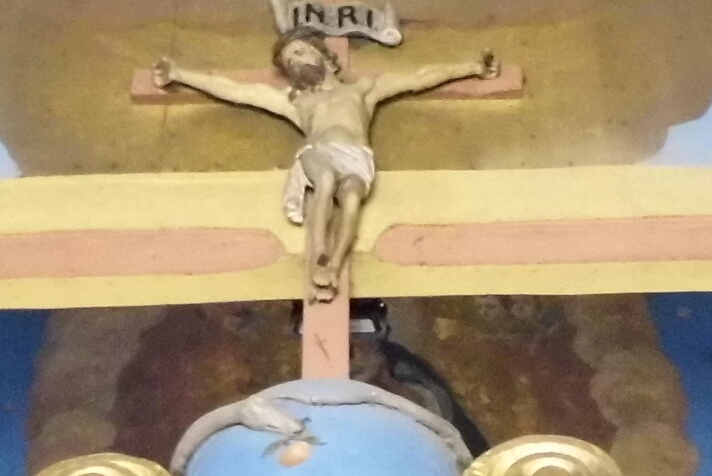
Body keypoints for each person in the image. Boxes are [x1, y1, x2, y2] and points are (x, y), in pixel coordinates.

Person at [154, 31, 496, 300]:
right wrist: (178, 74)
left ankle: (333, 266)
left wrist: (473, 67)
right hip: (318, 152)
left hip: (357, 156)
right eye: (290, 61)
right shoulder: (297, 102)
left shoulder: (362, 91)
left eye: (300, 52)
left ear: (322, 53)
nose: (296, 62)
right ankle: (317, 258)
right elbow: (235, 90)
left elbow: (418, 77)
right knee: (326, 181)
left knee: (352, 198)